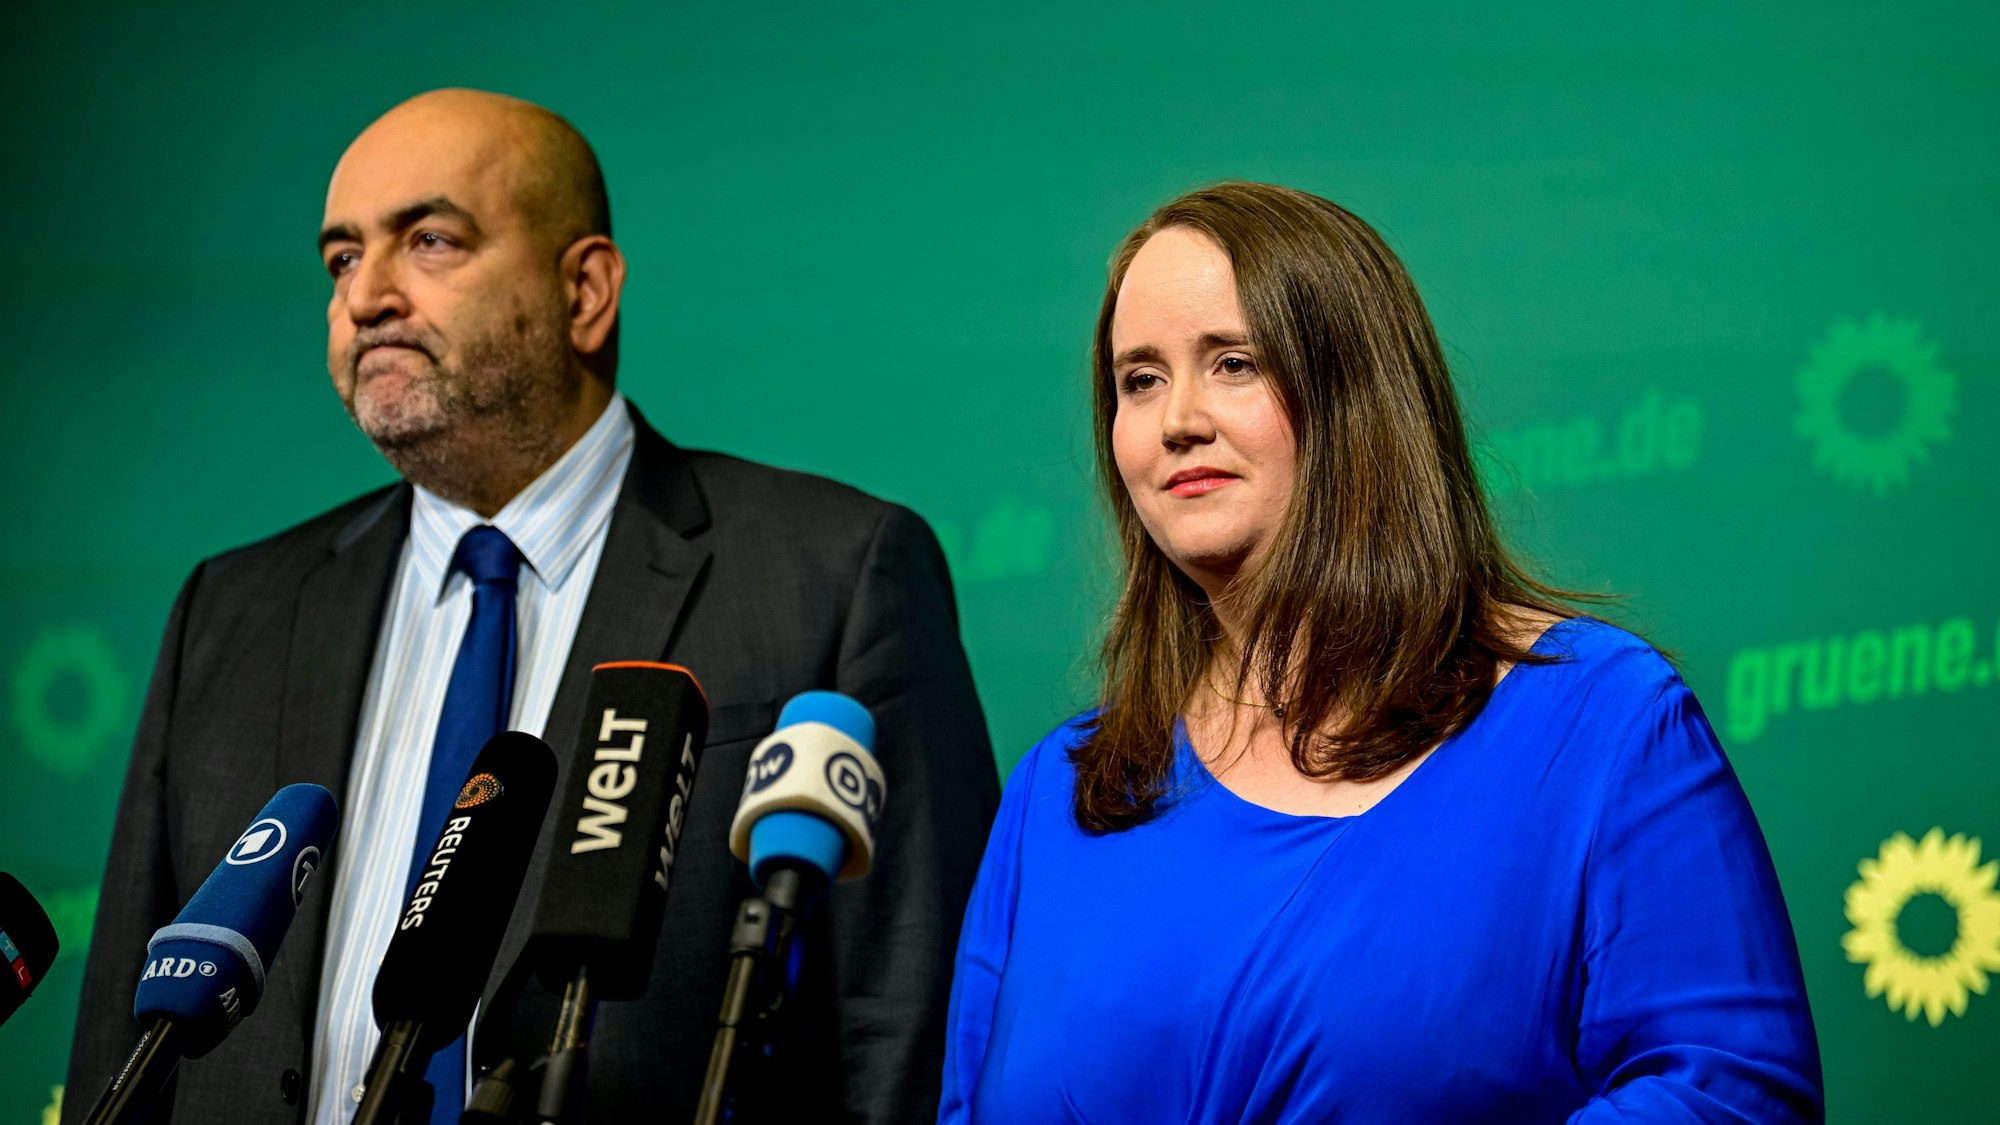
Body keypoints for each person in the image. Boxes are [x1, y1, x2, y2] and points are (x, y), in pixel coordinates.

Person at [64, 88, 998, 1125]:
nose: (366, 295)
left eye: (428, 240)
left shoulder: (831, 574)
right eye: (340, 260)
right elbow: (127, 1041)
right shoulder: (228, 611)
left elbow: (906, 1033)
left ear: (585, 291)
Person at [939, 183, 1822, 1122]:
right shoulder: (1057, 793)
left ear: (1357, 395)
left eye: (1234, 363)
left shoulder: (1601, 725)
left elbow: (1730, 1096)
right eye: (1139, 380)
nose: (1176, 420)